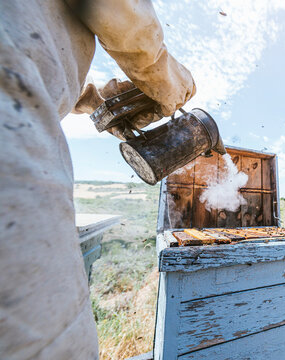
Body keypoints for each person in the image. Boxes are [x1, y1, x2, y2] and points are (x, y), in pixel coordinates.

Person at [0, 0, 195, 358]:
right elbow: (118, 8)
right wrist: (164, 75)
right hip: (12, 117)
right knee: (53, 342)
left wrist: (95, 100)